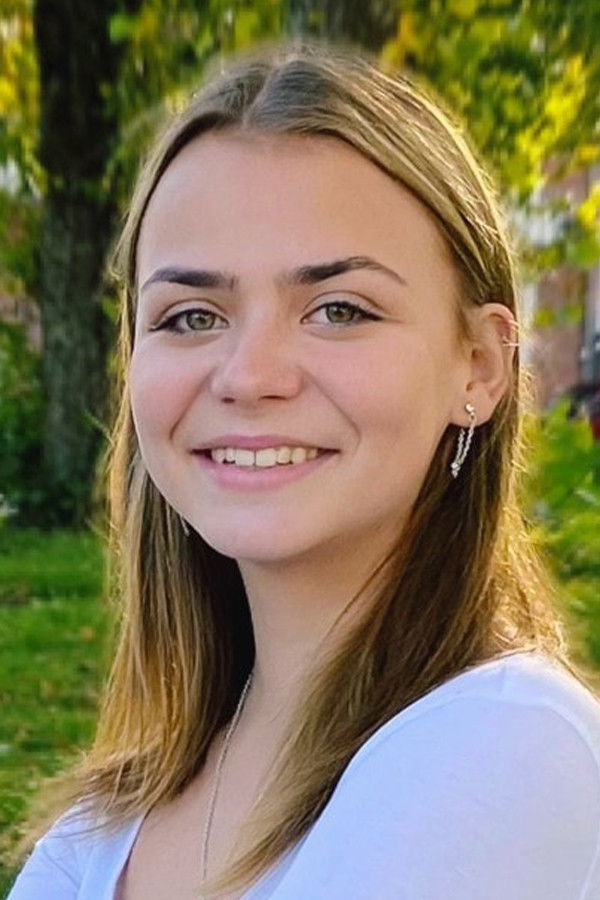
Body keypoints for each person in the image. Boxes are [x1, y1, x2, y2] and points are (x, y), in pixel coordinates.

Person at [7, 39, 600, 900]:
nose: (249, 376)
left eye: (338, 309)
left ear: (478, 365)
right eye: (191, 316)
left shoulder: (507, 745)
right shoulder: (102, 826)